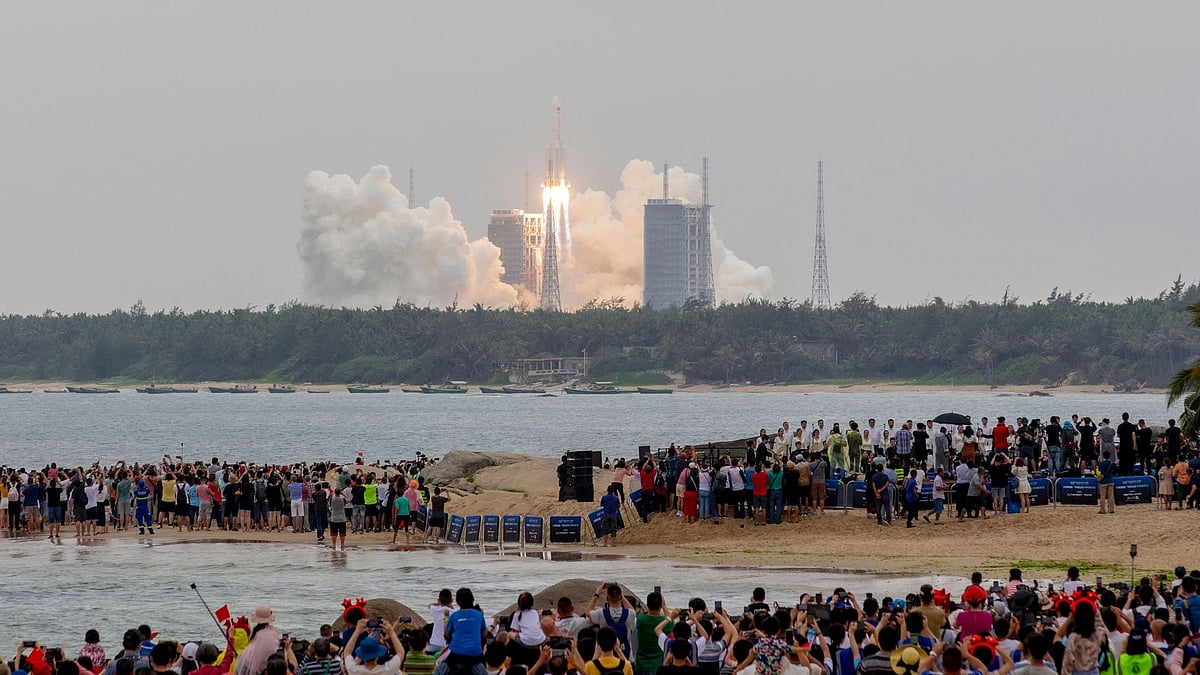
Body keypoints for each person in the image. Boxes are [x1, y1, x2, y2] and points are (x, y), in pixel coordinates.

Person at [434, 588, 488, 675]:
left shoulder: (455, 616)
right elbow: (484, 634)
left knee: (441, 666)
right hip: (475, 653)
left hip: (456, 652)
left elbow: (446, 634)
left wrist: (447, 618)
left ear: (457, 601)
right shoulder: (479, 615)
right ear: (472, 599)